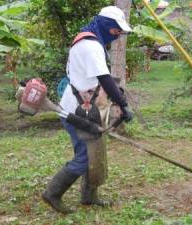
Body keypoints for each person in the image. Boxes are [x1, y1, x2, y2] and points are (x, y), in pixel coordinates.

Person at [42, 6, 134, 214]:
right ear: (106, 25)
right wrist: (122, 103)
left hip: (86, 108)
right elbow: (104, 77)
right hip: (76, 112)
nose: (117, 34)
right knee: (84, 157)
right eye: (116, 30)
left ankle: (88, 195)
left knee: (95, 153)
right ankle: (52, 193)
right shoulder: (90, 45)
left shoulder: (90, 40)